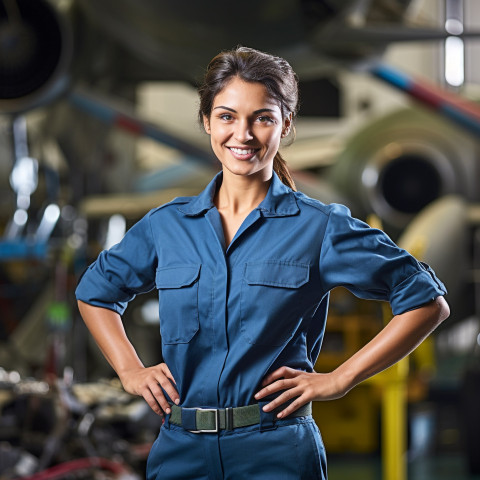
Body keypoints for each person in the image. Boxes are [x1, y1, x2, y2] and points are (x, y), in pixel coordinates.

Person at [75, 46, 450, 479]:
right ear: (206, 122)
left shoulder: (319, 227)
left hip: (275, 452)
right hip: (180, 451)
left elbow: (426, 300)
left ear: (285, 124)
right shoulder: (166, 227)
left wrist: (338, 379)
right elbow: (95, 291)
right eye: (227, 116)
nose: (243, 134)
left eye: (263, 118)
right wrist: (129, 370)